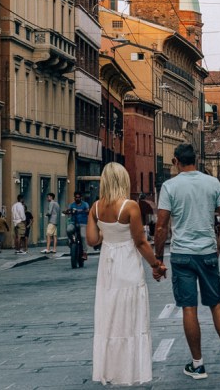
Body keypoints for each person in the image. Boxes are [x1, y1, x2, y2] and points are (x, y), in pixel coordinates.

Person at [154, 143, 220, 380]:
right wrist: (218, 248)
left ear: (176, 161)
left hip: (182, 255)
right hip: (207, 253)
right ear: (196, 160)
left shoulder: (170, 186)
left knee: (189, 308)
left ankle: (198, 365)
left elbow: (161, 226)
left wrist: (158, 260)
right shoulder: (212, 183)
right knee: (216, 303)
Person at [88, 162, 163, 386]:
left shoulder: (95, 207)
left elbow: (92, 240)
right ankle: (129, 371)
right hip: (127, 264)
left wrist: (106, 232)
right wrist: (155, 265)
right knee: (130, 319)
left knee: (109, 319)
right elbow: (140, 242)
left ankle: (110, 370)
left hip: (107, 267)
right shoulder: (130, 206)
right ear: (123, 181)